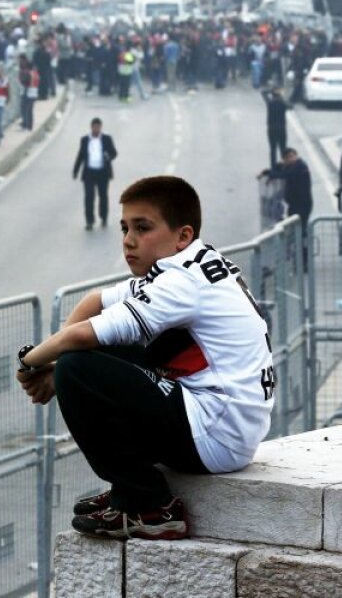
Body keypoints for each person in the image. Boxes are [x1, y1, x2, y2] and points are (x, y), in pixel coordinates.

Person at [16, 176, 274, 541]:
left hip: (218, 435)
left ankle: (148, 505)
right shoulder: (189, 263)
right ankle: (128, 488)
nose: (128, 240)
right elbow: (95, 301)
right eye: (124, 228)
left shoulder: (182, 282)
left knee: (78, 367)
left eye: (143, 228)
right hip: (225, 422)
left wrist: (33, 363)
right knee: (89, 356)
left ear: (182, 235)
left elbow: (79, 336)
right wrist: (50, 369)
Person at [72, 117, 118, 230]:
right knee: (89, 197)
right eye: (94, 127)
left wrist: (108, 156)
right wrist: (75, 171)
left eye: (98, 127)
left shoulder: (107, 139)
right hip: (89, 173)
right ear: (91, 127)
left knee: (103, 196)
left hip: (103, 172)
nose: (96, 129)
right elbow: (80, 156)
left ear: (101, 127)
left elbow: (114, 153)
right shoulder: (85, 140)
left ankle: (103, 217)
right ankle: (89, 221)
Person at [263, 148, 313, 226]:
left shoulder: (300, 166)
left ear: (296, 156)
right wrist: (268, 173)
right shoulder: (290, 166)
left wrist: (270, 174)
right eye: (288, 157)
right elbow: (279, 167)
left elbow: (286, 174)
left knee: (299, 227)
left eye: (292, 156)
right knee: (294, 227)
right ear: (284, 160)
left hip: (302, 204)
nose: (291, 159)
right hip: (294, 204)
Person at [262, 87, 289, 170]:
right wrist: (282, 96)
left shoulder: (270, 102)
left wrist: (272, 90)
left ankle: (273, 167)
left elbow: (263, 92)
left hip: (272, 128)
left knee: (273, 149)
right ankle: (285, 166)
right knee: (283, 148)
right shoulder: (283, 103)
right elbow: (291, 105)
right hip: (282, 128)